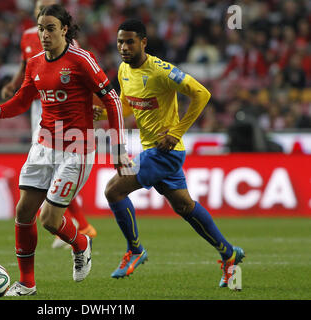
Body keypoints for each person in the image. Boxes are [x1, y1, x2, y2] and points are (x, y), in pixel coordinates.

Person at [0, 4, 130, 296]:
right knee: (23, 212)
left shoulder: (81, 60)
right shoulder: (35, 62)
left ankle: (81, 243)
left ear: (64, 30)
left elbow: (111, 100)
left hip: (77, 149)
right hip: (44, 145)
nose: (44, 34)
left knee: (49, 220)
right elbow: (23, 99)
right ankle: (27, 283)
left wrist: (119, 148)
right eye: (40, 28)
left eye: (50, 28)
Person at [94, 19, 245, 287]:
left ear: (143, 42)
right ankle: (229, 253)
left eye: (130, 41)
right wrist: (104, 113)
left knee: (113, 190)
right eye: (120, 42)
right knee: (185, 207)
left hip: (165, 151)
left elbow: (202, 94)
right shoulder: (123, 70)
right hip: (156, 150)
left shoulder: (161, 71)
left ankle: (136, 250)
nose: (124, 47)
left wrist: (177, 131)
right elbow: (129, 105)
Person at [1, 0, 97, 248]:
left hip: (65, 119)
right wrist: (13, 86)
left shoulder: (71, 48)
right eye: (39, 7)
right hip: (39, 105)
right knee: (45, 174)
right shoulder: (27, 37)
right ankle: (76, 224)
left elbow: (80, 75)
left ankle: (72, 225)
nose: (45, 32)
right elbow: (26, 66)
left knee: (59, 169)